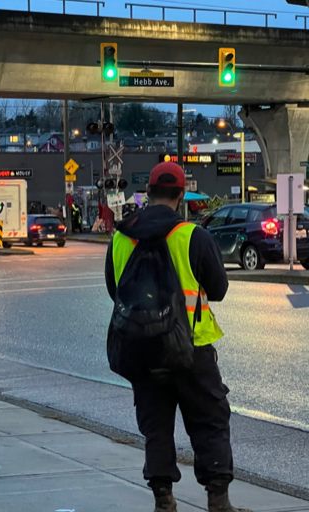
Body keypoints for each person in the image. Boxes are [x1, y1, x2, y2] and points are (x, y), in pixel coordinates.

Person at [105, 162, 251, 512]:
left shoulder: (121, 237)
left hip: (141, 349)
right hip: (193, 349)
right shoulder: (192, 236)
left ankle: (164, 501)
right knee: (210, 422)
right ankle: (218, 501)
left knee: (156, 426)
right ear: (181, 195)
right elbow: (217, 289)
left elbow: (115, 291)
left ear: (149, 193)